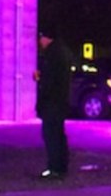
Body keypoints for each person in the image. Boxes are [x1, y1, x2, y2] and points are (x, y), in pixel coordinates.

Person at [34, 26, 73, 180]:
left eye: (41, 38)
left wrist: (40, 80)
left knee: (51, 135)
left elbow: (49, 81)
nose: (40, 42)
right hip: (61, 101)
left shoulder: (52, 54)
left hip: (52, 102)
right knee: (59, 134)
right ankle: (61, 166)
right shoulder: (64, 52)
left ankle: (54, 168)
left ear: (46, 38)